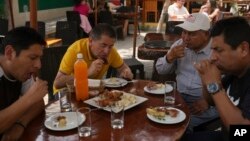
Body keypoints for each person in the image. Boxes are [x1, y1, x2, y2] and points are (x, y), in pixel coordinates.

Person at [184, 16, 250, 141]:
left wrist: (214, 83)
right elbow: (210, 101)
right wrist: (205, 78)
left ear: (243, 49)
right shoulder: (235, 72)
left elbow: (242, 132)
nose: (213, 57)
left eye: (218, 50)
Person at [156, 13, 218, 133]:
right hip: (178, 97)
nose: (185, 38)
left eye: (192, 33)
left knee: (180, 125)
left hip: (207, 102)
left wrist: (209, 101)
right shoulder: (179, 44)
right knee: (157, 116)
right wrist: (170, 57)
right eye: (184, 32)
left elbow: (228, 83)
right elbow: (160, 69)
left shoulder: (216, 50)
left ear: (206, 34)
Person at [0, 27, 48, 140]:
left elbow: (38, 103)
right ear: (9, 53)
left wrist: (20, 124)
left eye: (39, 58)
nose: (38, 65)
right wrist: (28, 98)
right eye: (33, 57)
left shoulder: (19, 72)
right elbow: (32, 99)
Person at [54, 23, 133, 89]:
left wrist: (127, 73)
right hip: (67, 95)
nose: (106, 51)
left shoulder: (111, 51)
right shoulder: (75, 50)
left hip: (92, 92)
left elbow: (124, 68)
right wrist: (86, 73)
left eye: (110, 46)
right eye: (103, 45)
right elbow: (57, 83)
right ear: (91, 41)